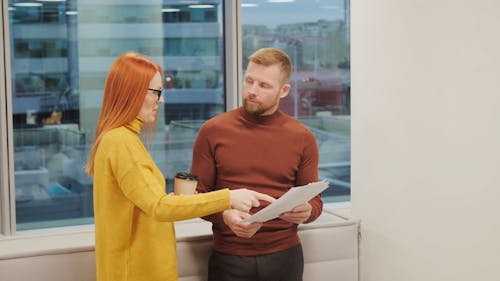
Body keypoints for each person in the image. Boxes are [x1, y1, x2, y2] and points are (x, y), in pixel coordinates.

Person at [84, 52, 275, 281]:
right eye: (155, 92)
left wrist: (178, 200)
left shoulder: (120, 139)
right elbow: (159, 207)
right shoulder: (121, 142)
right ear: (131, 92)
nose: (161, 100)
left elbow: (148, 205)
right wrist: (228, 198)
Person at [191, 47, 323, 281]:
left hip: (285, 256)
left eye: (263, 85)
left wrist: (307, 211)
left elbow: (315, 202)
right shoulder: (212, 131)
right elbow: (197, 197)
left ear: (284, 91)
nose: (252, 91)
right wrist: (225, 214)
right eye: (249, 81)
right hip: (229, 256)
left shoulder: (303, 138)